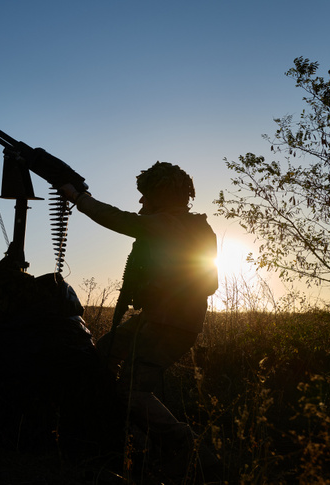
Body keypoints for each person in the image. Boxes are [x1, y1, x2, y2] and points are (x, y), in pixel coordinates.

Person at [59, 161, 219, 477]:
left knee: (132, 390)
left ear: (162, 196)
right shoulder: (190, 225)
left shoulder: (172, 225)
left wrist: (78, 198)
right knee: (103, 355)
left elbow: (118, 220)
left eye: (147, 197)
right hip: (159, 319)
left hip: (170, 324)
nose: (142, 203)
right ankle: (119, 435)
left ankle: (187, 447)